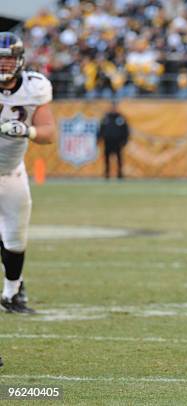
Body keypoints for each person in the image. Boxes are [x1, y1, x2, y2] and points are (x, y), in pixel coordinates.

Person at [0, 32, 56, 313]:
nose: (3, 66)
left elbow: (48, 133)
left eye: (8, 60)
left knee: (15, 238)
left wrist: (26, 129)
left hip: (11, 172)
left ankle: (12, 293)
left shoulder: (35, 87)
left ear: (20, 61)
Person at [98, 101, 129, 179]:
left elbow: (125, 130)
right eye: (112, 107)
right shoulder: (106, 118)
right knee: (107, 158)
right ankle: (107, 173)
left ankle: (120, 174)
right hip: (107, 141)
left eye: (114, 107)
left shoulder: (120, 118)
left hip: (117, 142)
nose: (113, 109)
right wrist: (99, 139)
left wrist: (124, 140)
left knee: (119, 158)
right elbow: (101, 129)